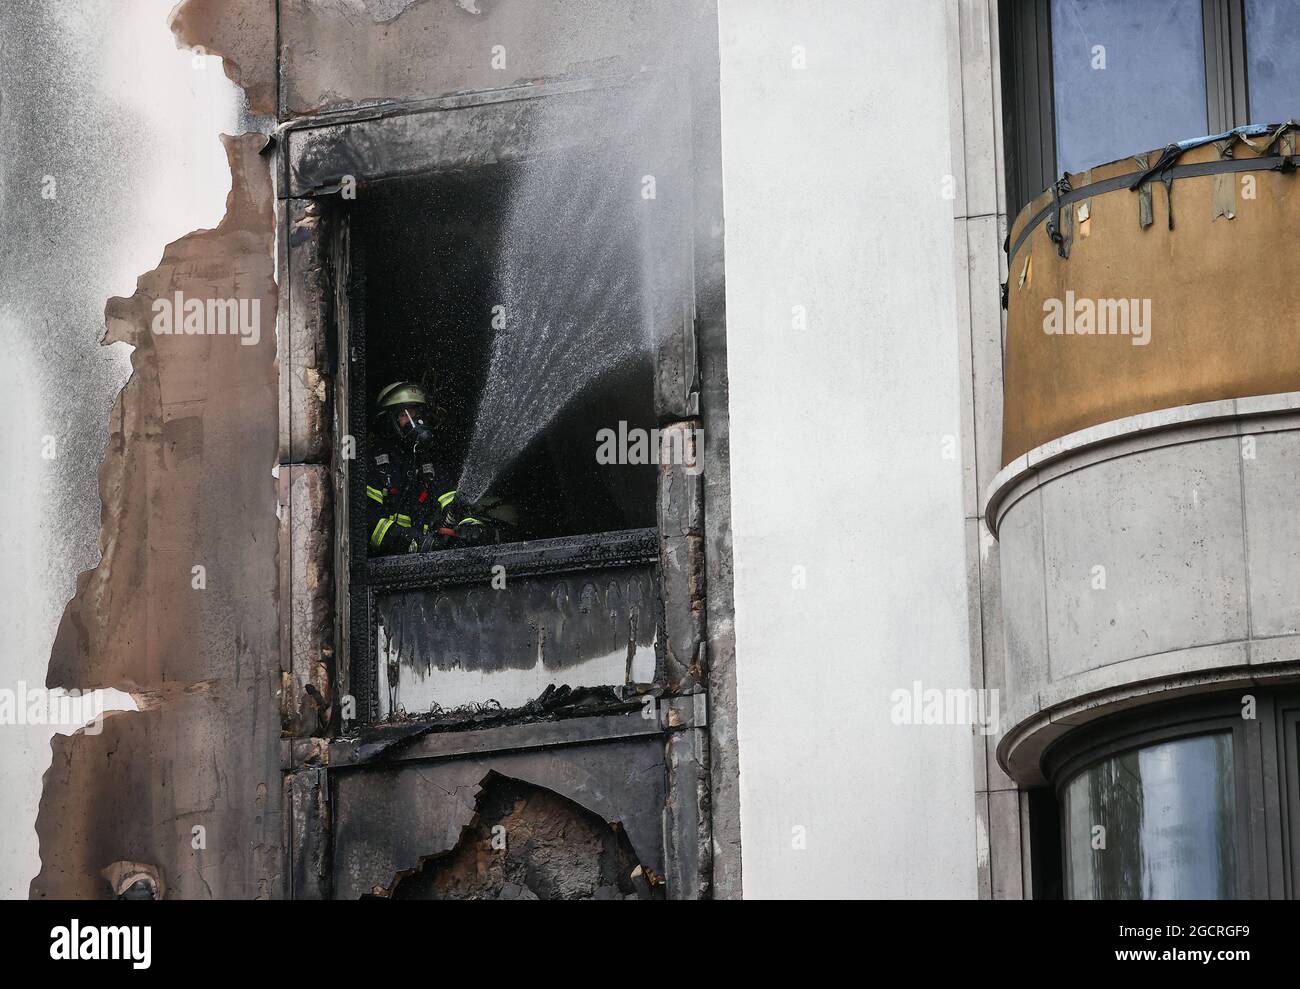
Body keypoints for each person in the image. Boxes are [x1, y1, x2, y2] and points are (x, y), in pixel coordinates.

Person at [366, 381, 516, 556]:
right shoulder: (373, 465)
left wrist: (470, 527)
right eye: (406, 414)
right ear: (387, 422)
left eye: (419, 413)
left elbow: (453, 503)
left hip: (427, 566)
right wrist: (415, 541)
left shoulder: (428, 465)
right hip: (386, 570)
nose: (417, 420)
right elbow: (366, 522)